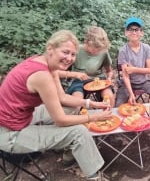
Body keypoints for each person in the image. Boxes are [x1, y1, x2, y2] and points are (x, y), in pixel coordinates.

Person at [0, 30, 112, 180]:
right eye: (65, 52)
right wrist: (95, 117)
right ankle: (94, 177)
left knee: (72, 107)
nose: (69, 58)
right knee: (79, 132)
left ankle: (68, 150)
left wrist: (91, 103)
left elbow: (63, 98)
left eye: (73, 54)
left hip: (21, 116)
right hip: (9, 133)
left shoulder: (46, 64)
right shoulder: (42, 76)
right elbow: (60, 120)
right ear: (50, 48)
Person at [65, 26, 115, 108]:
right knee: (76, 99)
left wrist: (109, 79)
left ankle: (108, 118)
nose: (99, 51)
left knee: (109, 97)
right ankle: (77, 119)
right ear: (87, 43)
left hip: (98, 80)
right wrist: (72, 76)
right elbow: (64, 71)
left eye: (100, 49)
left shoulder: (103, 51)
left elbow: (109, 71)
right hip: (79, 80)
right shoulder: (77, 50)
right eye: (96, 48)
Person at [115, 17, 150, 106]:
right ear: (126, 33)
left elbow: (149, 70)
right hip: (127, 83)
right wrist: (131, 94)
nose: (134, 32)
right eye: (131, 30)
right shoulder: (123, 51)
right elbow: (125, 76)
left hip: (144, 82)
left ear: (141, 33)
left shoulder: (146, 48)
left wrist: (133, 69)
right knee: (118, 104)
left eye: (137, 30)